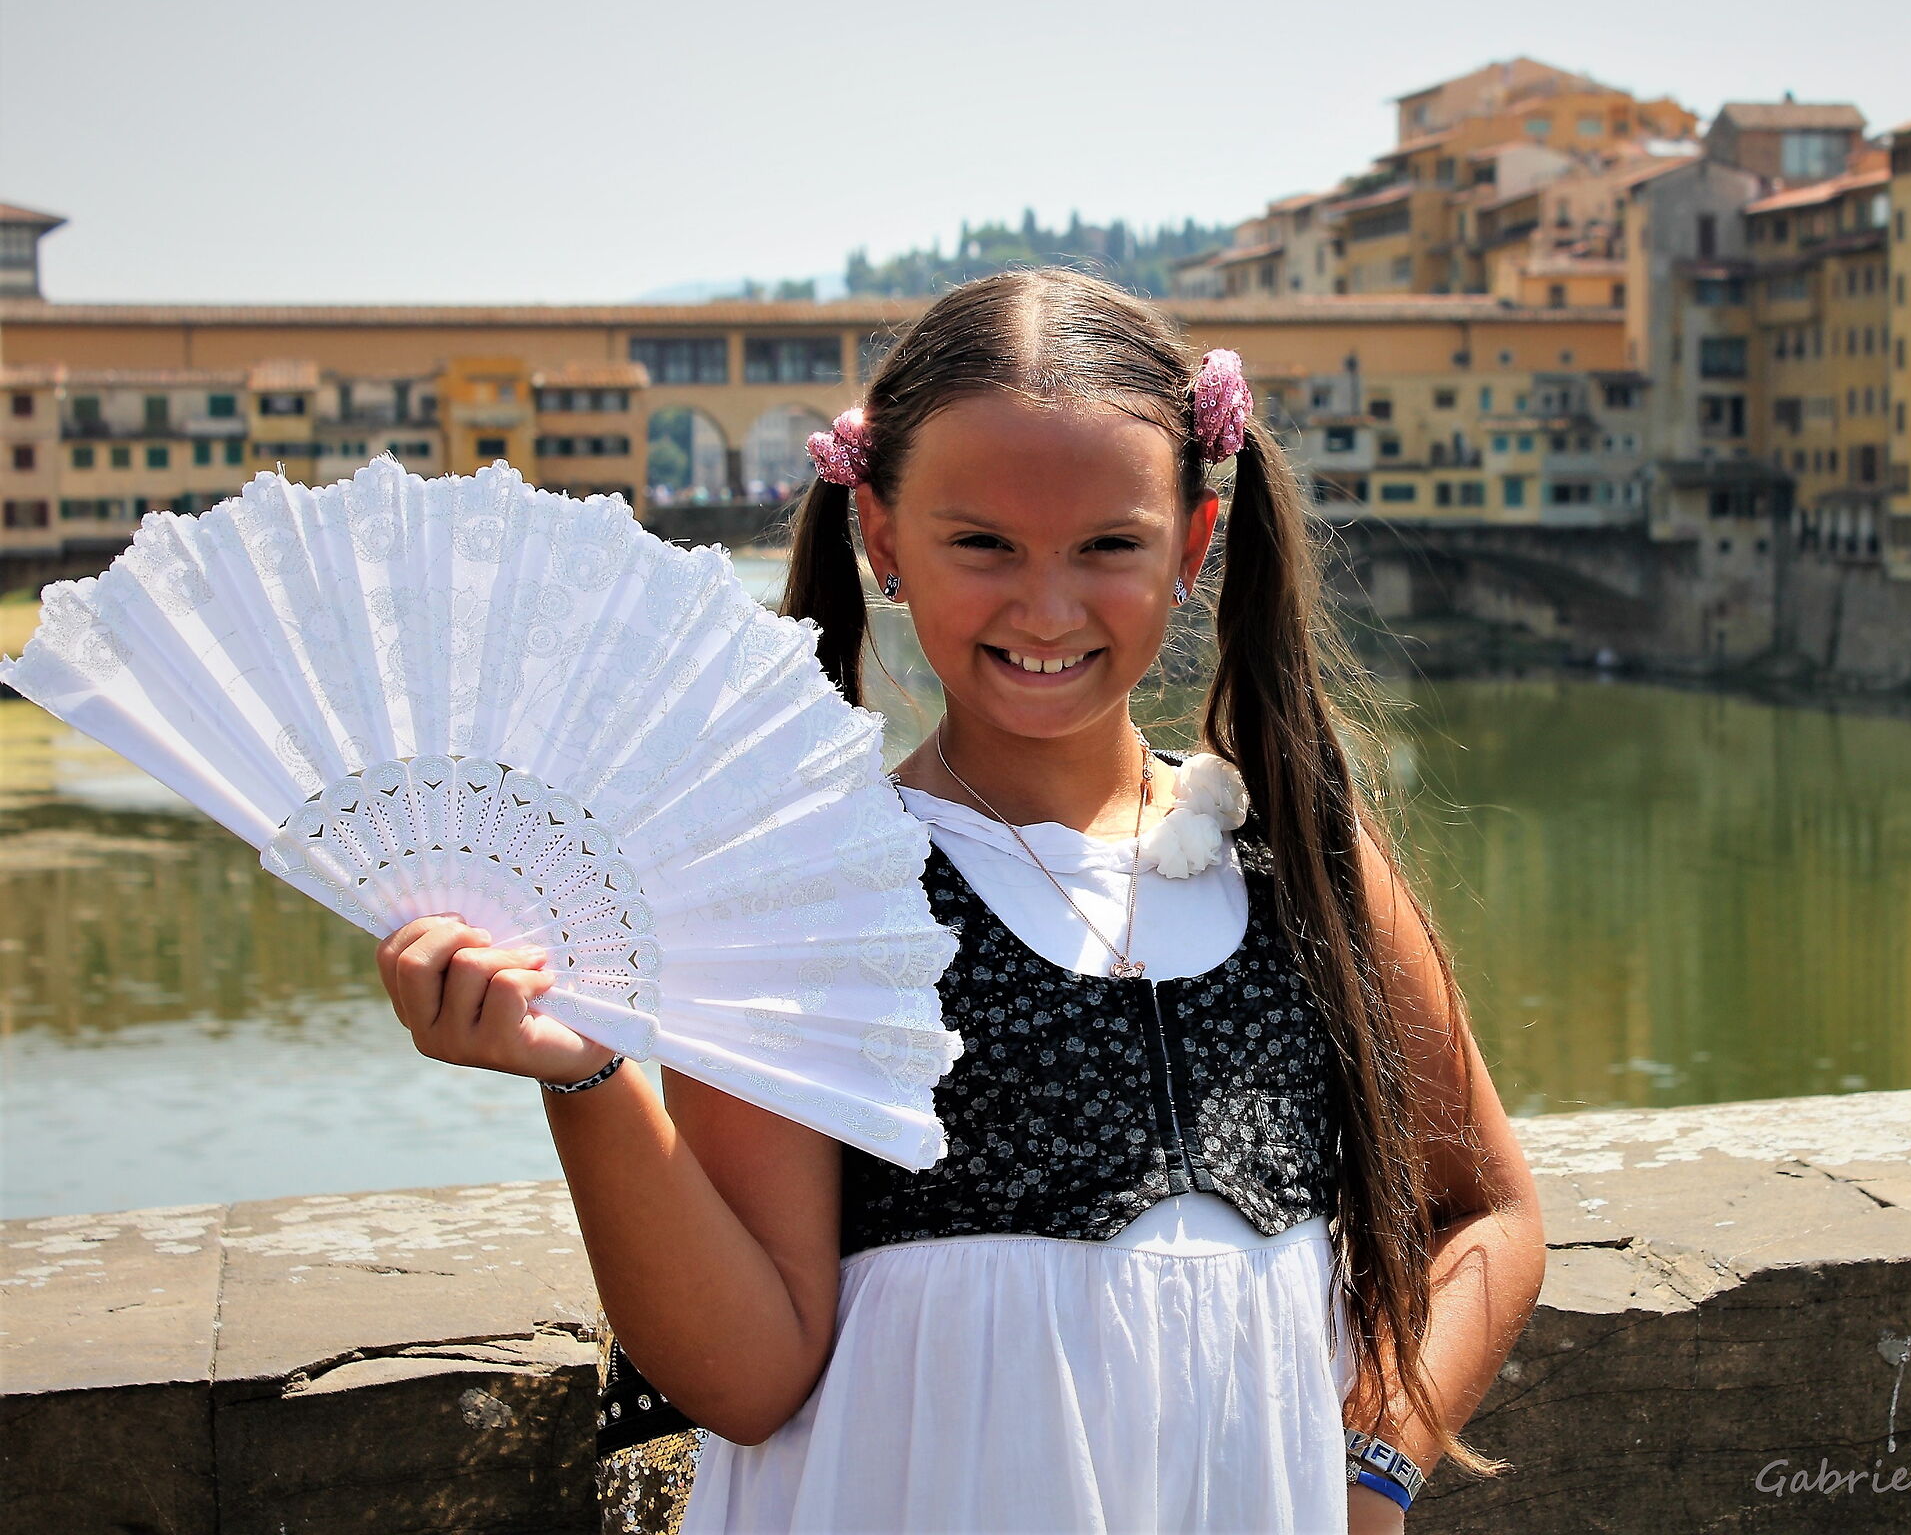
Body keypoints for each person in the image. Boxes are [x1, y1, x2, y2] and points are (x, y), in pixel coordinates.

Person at [372, 267, 1546, 1532]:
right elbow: (748, 1377)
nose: (1046, 606)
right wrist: (590, 1077)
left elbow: (1486, 1213)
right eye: (983, 544)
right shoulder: (805, 888)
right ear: (882, 538)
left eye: (1109, 545)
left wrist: (1374, 1466)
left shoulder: (1301, 856)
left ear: (1193, 543)